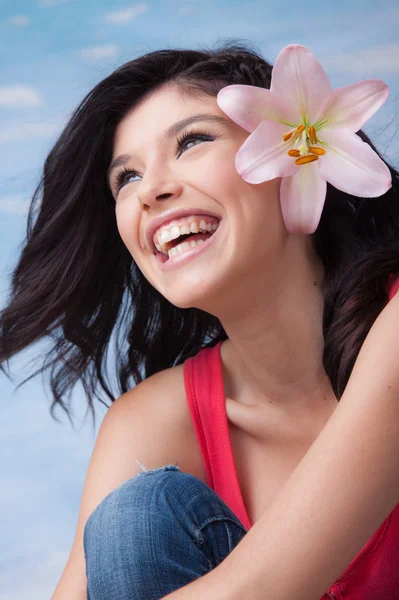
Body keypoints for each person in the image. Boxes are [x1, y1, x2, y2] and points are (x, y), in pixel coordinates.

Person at [1, 41, 399, 600]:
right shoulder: (155, 421)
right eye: (126, 179)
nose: (151, 193)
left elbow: (257, 589)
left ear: (294, 156)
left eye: (192, 142)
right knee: (138, 515)